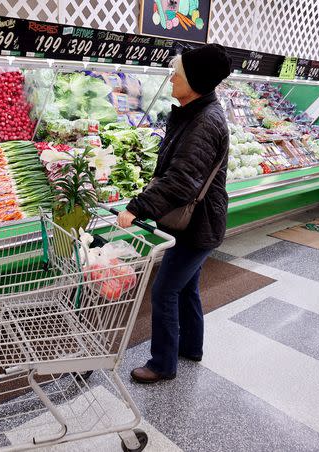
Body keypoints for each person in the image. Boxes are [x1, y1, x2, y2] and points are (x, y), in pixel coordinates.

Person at [117, 44, 232, 384]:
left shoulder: (204, 123)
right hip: (198, 220)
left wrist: (138, 206)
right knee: (186, 287)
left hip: (198, 224)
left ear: (194, 81)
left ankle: (163, 364)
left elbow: (182, 180)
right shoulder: (195, 112)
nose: (171, 81)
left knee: (165, 290)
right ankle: (191, 348)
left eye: (177, 75)